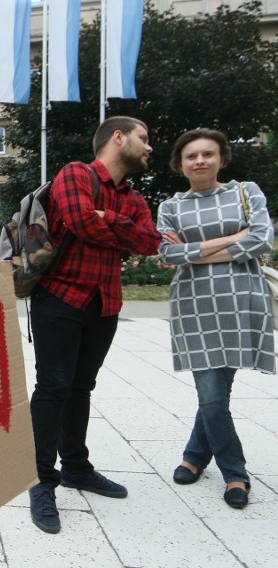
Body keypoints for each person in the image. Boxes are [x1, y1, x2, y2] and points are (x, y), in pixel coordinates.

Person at [27, 116, 162, 534]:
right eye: (143, 138)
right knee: (53, 388)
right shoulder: (75, 174)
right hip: (60, 298)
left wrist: (111, 220)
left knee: (81, 387)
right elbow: (81, 220)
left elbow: (150, 242)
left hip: (104, 305)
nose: (149, 147)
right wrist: (119, 227)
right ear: (117, 138)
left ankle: (76, 469)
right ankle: (40, 481)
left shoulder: (134, 197)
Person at [156, 128, 274, 510]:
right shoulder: (171, 206)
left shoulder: (245, 191)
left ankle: (193, 456)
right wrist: (230, 240)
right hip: (194, 304)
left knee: (215, 394)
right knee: (211, 393)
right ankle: (235, 473)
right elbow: (167, 255)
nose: (200, 161)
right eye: (191, 156)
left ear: (222, 158)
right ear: (180, 164)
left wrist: (195, 252)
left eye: (208, 154)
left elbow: (262, 239)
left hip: (242, 300)